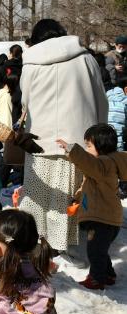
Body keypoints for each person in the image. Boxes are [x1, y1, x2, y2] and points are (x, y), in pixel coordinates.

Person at [18, 19, 108, 260]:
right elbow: (100, 97)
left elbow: (25, 101)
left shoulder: (30, 61)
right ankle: (57, 244)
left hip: (39, 138)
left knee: (37, 194)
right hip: (75, 139)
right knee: (63, 195)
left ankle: (33, 238)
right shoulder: (85, 57)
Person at [56, 124, 127, 289]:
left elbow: (88, 163)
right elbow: (88, 186)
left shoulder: (104, 164)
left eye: (88, 146)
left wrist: (72, 150)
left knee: (95, 251)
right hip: (108, 218)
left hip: (102, 219)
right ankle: (108, 274)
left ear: (100, 146)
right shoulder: (104, 167)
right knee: (100, 250)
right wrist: (77, 197)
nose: (86, 150)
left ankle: (97, 278)